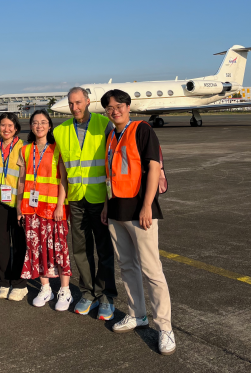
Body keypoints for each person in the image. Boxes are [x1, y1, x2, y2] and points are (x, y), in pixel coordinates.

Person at [100, 89, 175, 355]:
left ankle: (165, 327)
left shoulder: (142, 130)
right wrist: (107, 207)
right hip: (116, 211)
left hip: (140, 211)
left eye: (119, 105)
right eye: (109, 107)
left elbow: (154, 167)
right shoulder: (110, 136)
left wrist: (146, 206)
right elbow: (110, 173)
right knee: (127, 266)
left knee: (152, 270)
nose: (115, 110)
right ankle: (137, 314)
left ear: (128, 107)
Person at [53, 87, 117, 319]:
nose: (74, 107)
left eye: (78, 102)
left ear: (88, 101)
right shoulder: (60, 131)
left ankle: (106, 294)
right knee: (80, 249)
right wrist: (62, 202)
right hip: (76, 199)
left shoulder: (104, 124)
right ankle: (88, 292)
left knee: (104, 249)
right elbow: (62, 169)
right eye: (71, 104)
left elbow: (113, 162)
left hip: (100, 198)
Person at [17, 109, 73, 311]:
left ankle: (65, 291)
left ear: (50, 125)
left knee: (58, 249)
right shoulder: (24, 150)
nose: (39, 126)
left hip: (53, 209)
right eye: (35, 122)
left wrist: (60, 205)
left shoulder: (58, 149)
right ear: (31, 126)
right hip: (32, 210)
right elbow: (21, 180)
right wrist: (19, 207)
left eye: (43, 122)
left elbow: (63, 179)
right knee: (36, 248)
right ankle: (45, 287)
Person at [0, 113, 28, 301]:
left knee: (19, 243)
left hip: (18, 203)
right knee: (1, 244)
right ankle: (3, 281)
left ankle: (19, 283)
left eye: (10, 125)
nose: (6, 129)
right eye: (3, 125)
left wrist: (24, 205)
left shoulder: (24, 148)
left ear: (16, 128)